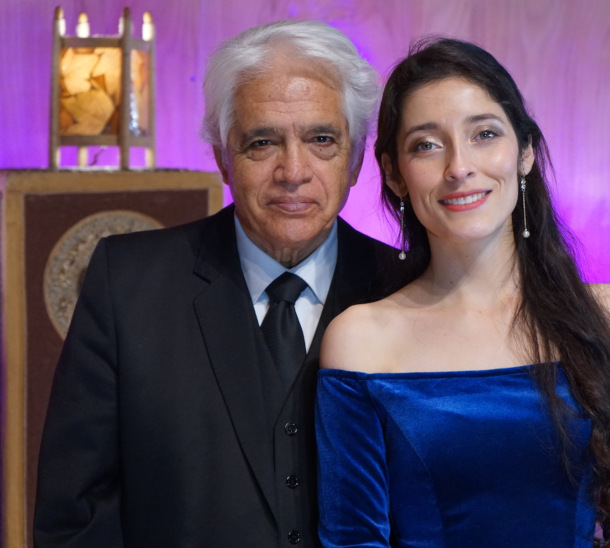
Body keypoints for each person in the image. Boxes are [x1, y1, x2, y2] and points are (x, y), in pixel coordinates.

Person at [34, 20, 407, 548]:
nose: (292, 171)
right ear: (222, 158)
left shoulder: (406, 288)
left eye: (321, 139)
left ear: (354, 158)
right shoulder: (126, 285)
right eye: (262, 142)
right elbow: (76, 518)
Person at [315, 38, 610, 547]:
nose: (459, 166)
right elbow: (354, 541)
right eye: (427, 145)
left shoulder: (608, 320)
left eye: (484, 134)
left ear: (525, 152)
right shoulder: (360, 340)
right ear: (394, 174)